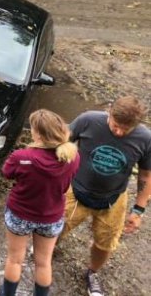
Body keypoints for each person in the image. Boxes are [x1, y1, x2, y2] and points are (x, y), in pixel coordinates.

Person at [61, 96, 151, 296]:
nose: (119, 132)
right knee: (55, 227)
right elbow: (60, 142)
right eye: (116, 125)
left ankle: (92, 273)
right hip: (76, 191)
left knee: (106, 243)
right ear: (109, 112)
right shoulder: (88, 120)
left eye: (125, 129)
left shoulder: (145, 138)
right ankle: (45, 253)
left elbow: (145, 175)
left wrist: (138, 210)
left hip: (113, 199)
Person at [0, 109, 80, 296]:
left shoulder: (22, 157)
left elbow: (6, 173)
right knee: (44, 262)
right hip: (51, 218)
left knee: (14, 260)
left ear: (39, 134)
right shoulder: (73, 157)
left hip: (20, 215)